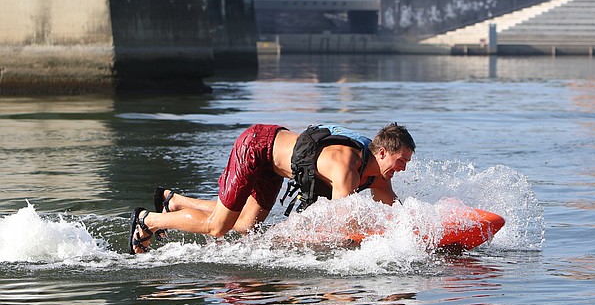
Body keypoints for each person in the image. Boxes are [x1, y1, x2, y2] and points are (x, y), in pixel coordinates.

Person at [128, 122, 416, 254]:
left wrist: (418, 233)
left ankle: (175, 201)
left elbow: (395, 212)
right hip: (256, 147)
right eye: (400, 160)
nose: (402, 168)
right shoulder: (346, 167)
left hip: (273, 165)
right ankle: (148, 220)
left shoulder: (379, 175)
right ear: (381, 153)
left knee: (244, 226)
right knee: (219, 227)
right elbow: (342, 223)